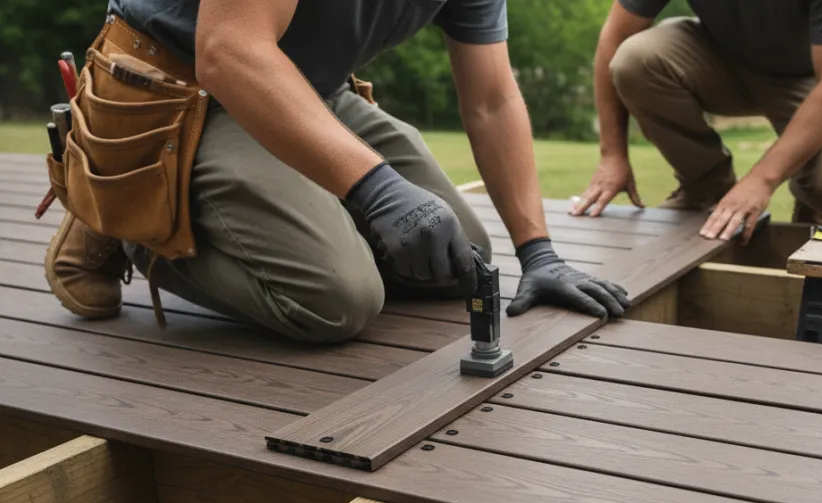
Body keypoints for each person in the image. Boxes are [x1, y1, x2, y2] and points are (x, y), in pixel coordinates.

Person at [45, 0, 630, 344]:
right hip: (178, 88)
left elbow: (492, 100)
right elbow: (227, 50)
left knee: (456, 260)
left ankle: (244, 211)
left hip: (303, 88)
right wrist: (376, 188)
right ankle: (126, 207)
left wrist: (538, 253)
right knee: (337, 300)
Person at [571, 0, 822, 243]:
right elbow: (615, 38)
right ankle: (707, 186)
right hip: (722, 62)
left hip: (813, 78)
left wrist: (761, 181)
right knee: (635, 59)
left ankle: (813, 205)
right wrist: (612, 154)